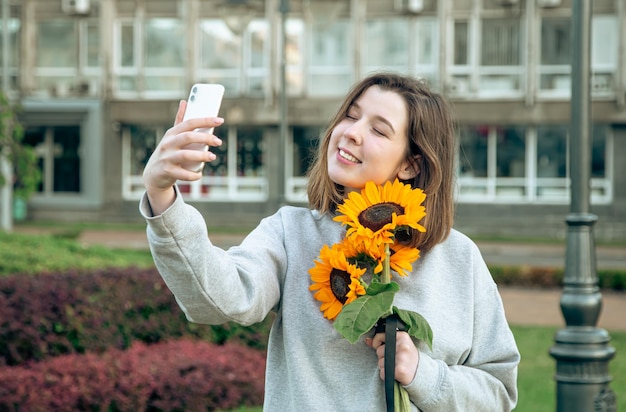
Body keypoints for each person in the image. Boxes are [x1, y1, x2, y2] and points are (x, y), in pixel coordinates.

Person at [140, 72, 520, 411]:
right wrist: (163, 197)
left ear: (411, 164)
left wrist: (422, 374)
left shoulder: (459, 259)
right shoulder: (292, 233)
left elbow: (498, 393)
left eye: (379, 129)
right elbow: (219, 301)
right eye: (351, 116)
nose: (351, 131)